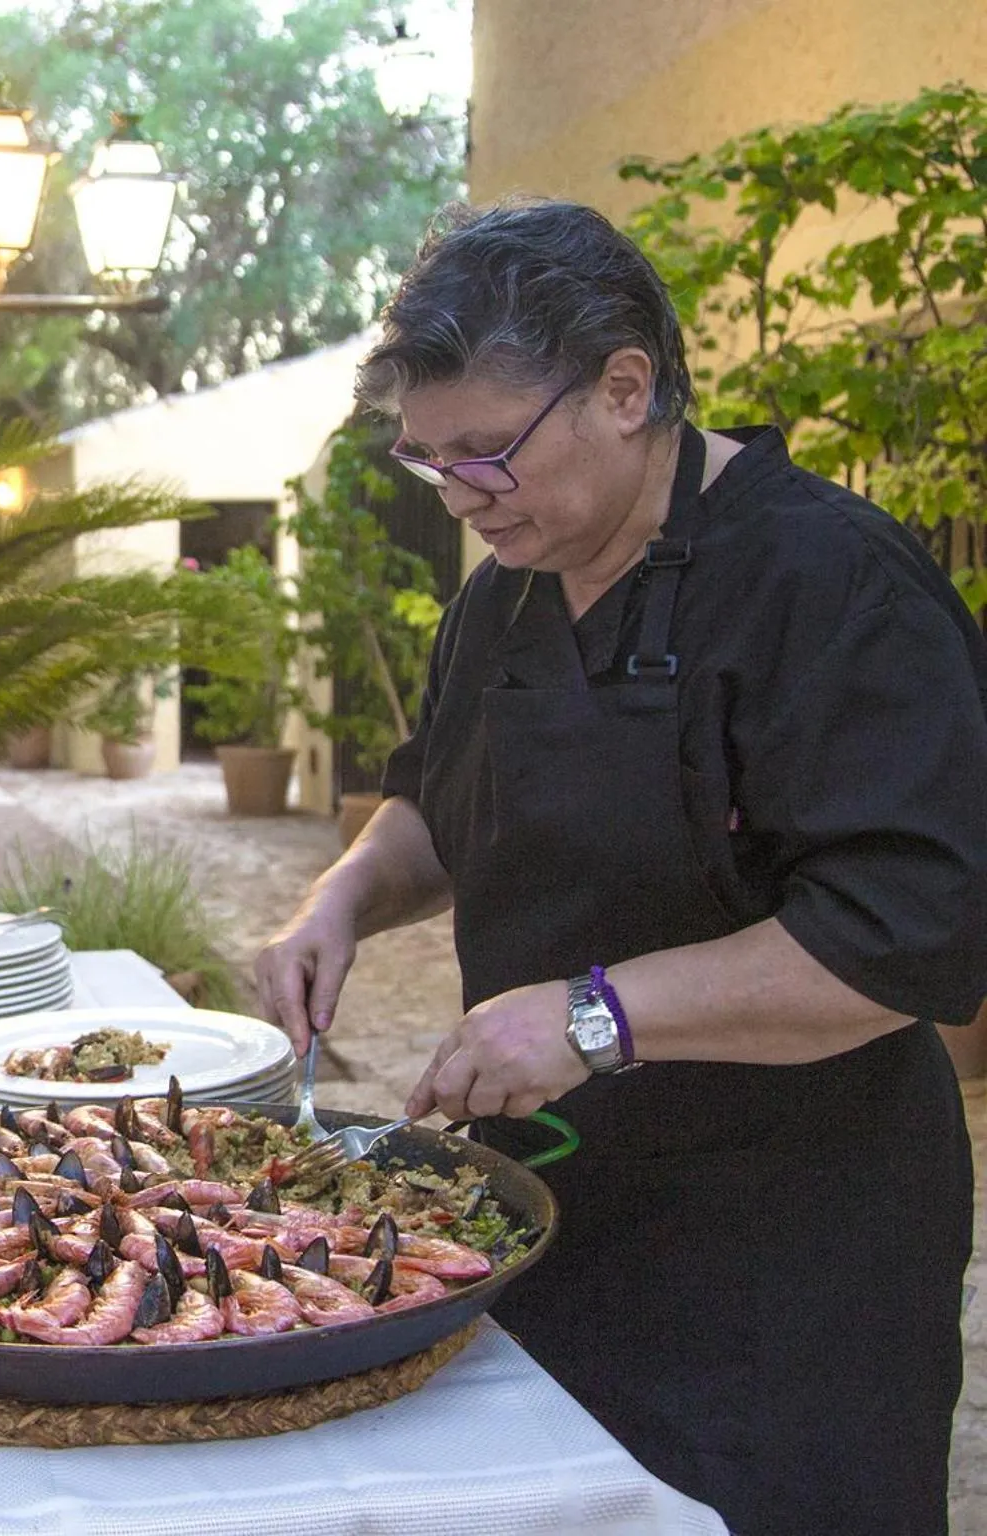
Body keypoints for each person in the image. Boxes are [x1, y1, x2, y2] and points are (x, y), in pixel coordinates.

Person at [255, 199, 983, 1534]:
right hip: (547, 1209)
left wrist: (595, 1017)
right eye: (428, 460)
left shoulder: (834, 584)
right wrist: (336, 902)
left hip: (789, 1254)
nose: (459, 496)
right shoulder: (504, 592)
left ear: (626, 389)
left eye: (487, 453)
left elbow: (901, 939)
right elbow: (439, 802)